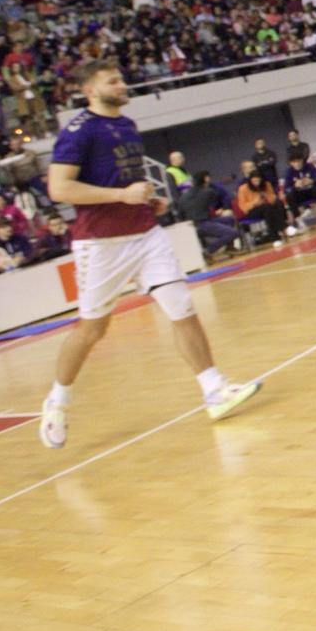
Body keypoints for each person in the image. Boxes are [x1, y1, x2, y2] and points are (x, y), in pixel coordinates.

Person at [41, 61, 261, 449]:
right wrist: (120, 196)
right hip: (101, 242)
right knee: (93, 329)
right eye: (113, 80)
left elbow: (122, 182)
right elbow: (60, 189)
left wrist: (147, 199)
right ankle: (57, 400)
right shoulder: (78, 131)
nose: (122, 83)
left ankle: (214, 389)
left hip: (145, 232)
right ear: (90, 91)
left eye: (121, 77)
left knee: (181, 307)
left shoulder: (125, 126)